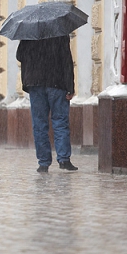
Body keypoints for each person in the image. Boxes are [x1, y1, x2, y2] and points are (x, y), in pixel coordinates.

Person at [16, 35, 77, 173]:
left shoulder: (29, 33)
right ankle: (64, 159)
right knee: (60, 121)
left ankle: (43, 163)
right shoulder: (60, 33)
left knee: (39, 124)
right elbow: (66, 60)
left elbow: (20, 56)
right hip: (57, 83)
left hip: (35, 84)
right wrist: (70, 87)